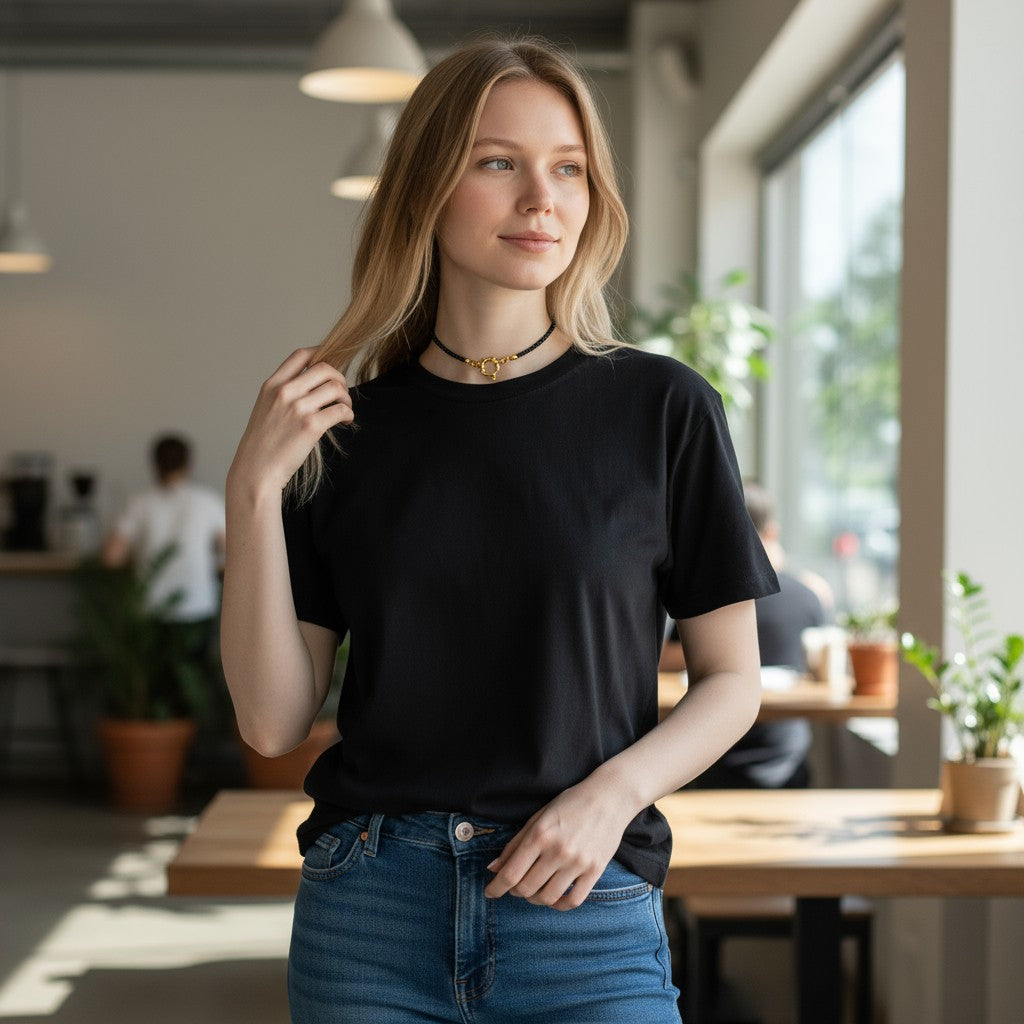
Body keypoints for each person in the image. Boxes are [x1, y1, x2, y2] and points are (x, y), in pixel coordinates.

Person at [222, 37, 778, 1024]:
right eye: (498, 162)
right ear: (426, 189)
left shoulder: (661, 408)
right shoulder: (344, 433)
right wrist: (252, 493)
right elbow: (271, 720)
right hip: (369, 913)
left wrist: (609, 797)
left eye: (567, 168)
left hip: (583, 903)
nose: (542, 198)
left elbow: (732, 680)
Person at [660, 480, 829, 788]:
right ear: (772, 533)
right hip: (785, 761)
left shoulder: (711, 598)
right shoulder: (807, 596)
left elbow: (666, 661)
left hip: (711, 759)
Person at [103, 434, 226, 662]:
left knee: (155, 686)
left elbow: (112, 557)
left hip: (151, 607)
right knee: (194, 683)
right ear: (189, 464)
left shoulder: (139, 503)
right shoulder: (207, 501)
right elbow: (232, 550)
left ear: (154, 464)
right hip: (197, 604)